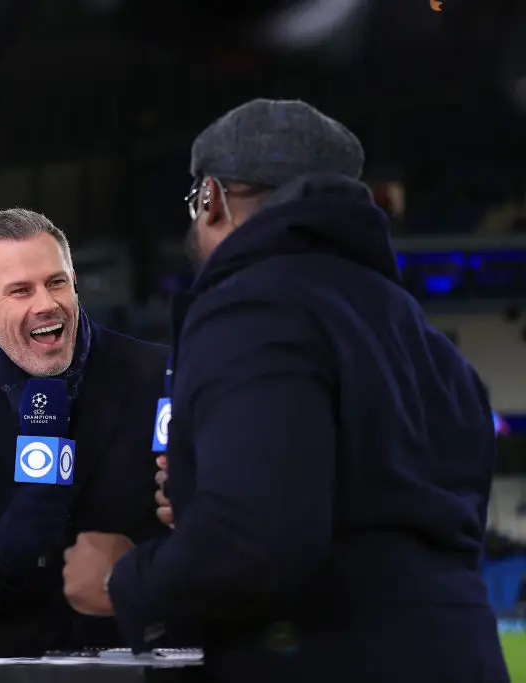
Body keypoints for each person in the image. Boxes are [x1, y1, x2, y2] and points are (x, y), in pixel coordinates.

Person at [62, 98, 510, 682]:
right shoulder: (424, 338)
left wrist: (123, 579)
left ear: (212, 199)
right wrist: (207, 495)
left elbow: (256, 538)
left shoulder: (253, 306)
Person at [0, 208, 172, 657]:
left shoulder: (161, 375)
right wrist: (3, 548)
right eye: (21, 291)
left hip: (157, 661)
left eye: (56, 282)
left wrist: (139, 574)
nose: (46, 304)